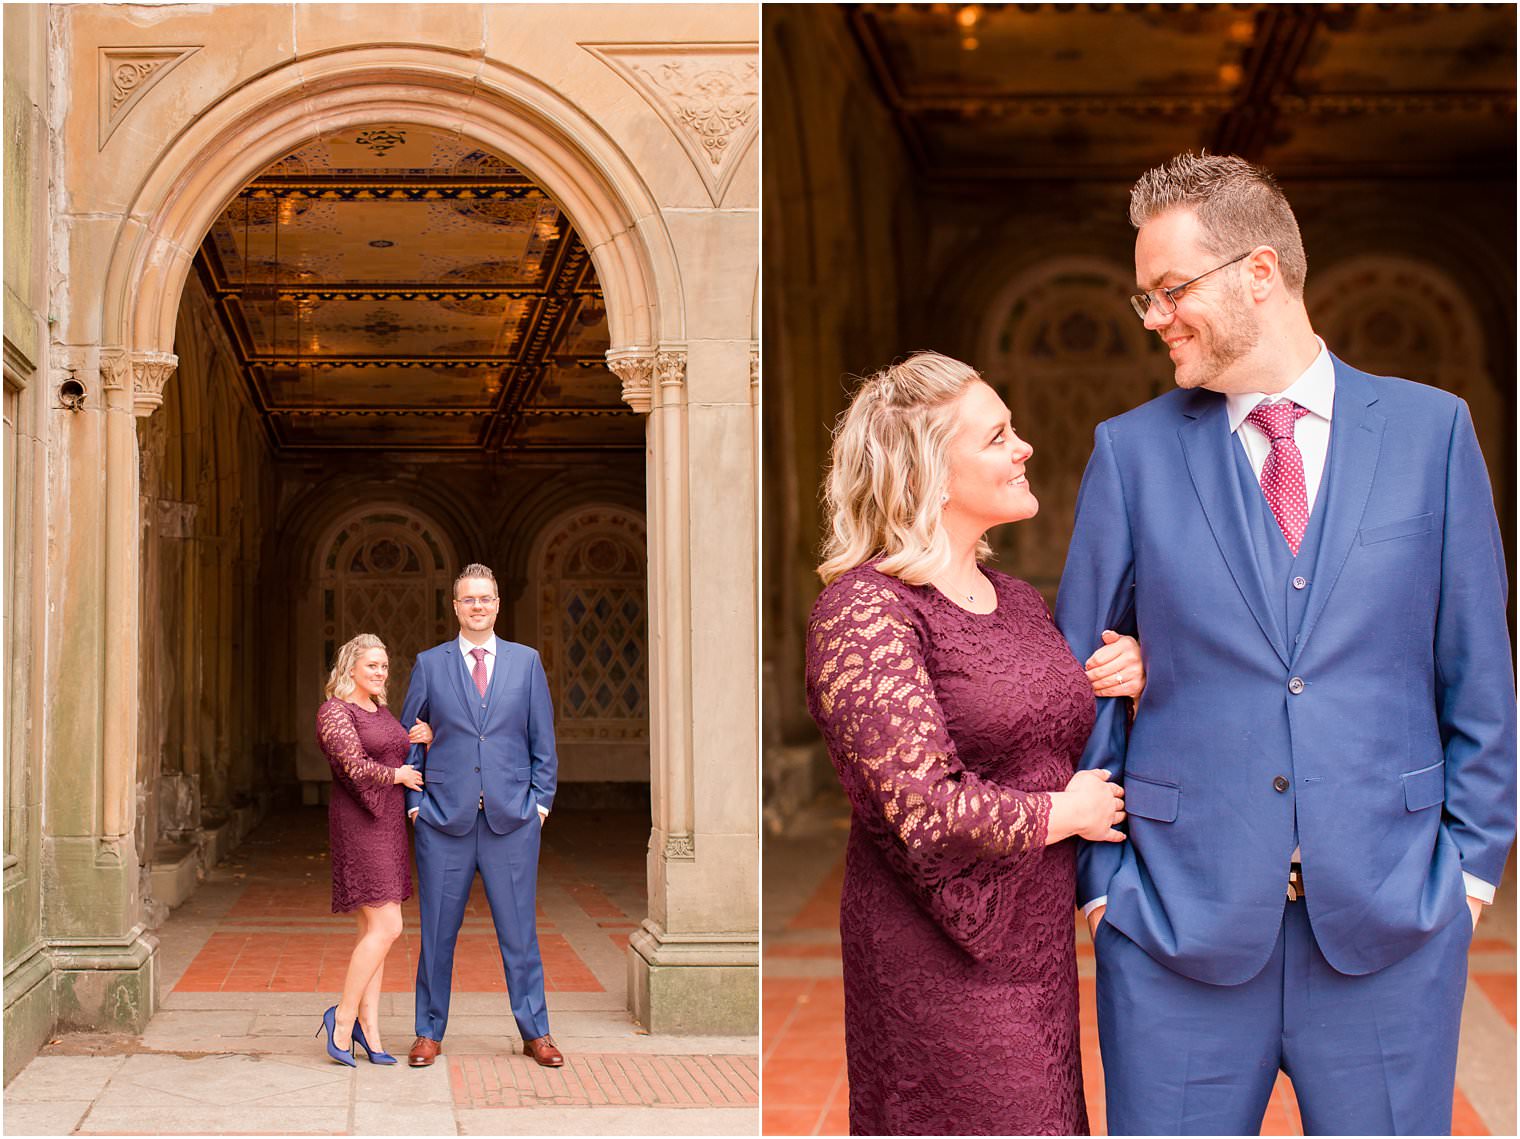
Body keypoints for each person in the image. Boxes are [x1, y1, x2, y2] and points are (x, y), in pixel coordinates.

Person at [1057, 152, 1516, 1135]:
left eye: (1169, 290)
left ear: (1257, 274)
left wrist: (1465, 878)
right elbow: (1077, 690)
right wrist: (1107, 898)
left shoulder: (1431, 433)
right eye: (1143, 297)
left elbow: (1478, 676)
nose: (1152, 317)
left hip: (1392, 930)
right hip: (1173, 933)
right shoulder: (1128, 453)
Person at [804, 351, 1145, 1136]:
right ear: (928, 471)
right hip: (936, 954)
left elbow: (1042, 718)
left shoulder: (1019, 602)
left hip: (1037, 949)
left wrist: (1123, 672)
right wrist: (1066, 812)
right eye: (997, 437)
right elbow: (921, 806)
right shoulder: (863, 610)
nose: (1023, 447)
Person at [399, 562, 562, 1069]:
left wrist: (539, 804)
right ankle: (428, 1031)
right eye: (468, 599)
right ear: (455, 606)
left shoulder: (526, 662)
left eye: (485, 599)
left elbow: (543, 742)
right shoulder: (430, 664)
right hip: (442, 821)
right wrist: (414, 807)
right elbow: (411, 738)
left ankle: (536, 1033)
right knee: (437, 935)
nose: (477, 607)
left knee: (520, 934)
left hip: (512, 822)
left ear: (497, 604)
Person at [313, 633, 432, 1066]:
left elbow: (399, 748)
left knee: (373, 933)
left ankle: (372, 1030)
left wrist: (423, 736)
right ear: (350, 669)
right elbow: (351, 765)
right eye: (372, 666)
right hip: (359, 824)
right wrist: (398, 776)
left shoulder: (380, 709)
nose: (381, 673)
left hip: (387, 824)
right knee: (388, 927)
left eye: (384, 666)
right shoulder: (334, 711)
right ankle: (341, 1020)